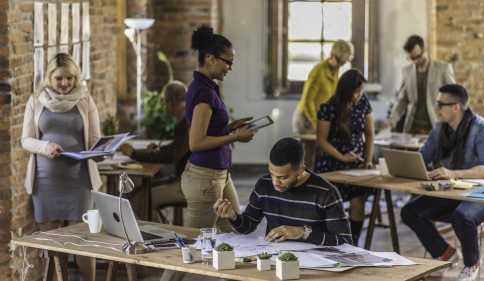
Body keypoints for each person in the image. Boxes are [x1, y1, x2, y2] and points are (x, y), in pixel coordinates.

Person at [401, 84, 484, 281]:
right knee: (409, 211)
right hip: (452, 191)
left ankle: (472, 264)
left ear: (456, 107)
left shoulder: (482, 129)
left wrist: (453, 173)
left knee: (462, 215)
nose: (437, 108)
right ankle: (446, 253)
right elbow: (423, 157)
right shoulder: (440, 129)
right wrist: (403, 165)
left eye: (441, 104)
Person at [21, 53, 101, 281]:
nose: (65, 83)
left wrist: (103, 148)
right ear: (49, 78)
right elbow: (25, 140)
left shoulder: (85, 100)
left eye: (70, 78)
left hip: (80, 181)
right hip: (46, 184)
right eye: (59, 79)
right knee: (54, 242)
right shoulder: (36, 101)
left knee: (84, 239)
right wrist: (45, 146)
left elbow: (95, 138)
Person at [182, 25, 255, 232]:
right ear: (210, 58)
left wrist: (231, 127)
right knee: (196, 244)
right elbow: (196, 143)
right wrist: (234, 137)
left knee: (233, 233)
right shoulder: (204, 93)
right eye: (228, 62)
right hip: (205, 179)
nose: (230, 67)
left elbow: (210, 131)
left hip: (220, 175)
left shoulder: (208, 87)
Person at [214, 137, 352, 246]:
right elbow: (247, 227)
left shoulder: (326, 193)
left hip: (316, 264)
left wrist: (303, 233)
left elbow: (345, 242)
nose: (275, 182)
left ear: (301, 169)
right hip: (276, 259)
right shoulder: (264, 185)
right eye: (272, 174)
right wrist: (232, 215)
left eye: (283, 177)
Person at [314, 69, 374, 246]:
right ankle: (333, 239)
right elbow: (321, 141)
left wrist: (368, 160)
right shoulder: (329, 107)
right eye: (356, 91)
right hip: (332, 163)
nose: (359, 94)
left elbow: (370, 135)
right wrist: (342, 157)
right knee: (332, 203)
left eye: (362, 90)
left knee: (358, 200)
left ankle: (353, 242)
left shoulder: (363, 103)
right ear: (346, 90)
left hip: (356, 163)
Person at [120, 81, 189, 222]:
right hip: (183, 179)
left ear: (172, 102)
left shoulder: (185, 122)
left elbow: (172, 155)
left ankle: (162, 235)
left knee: (141, 200)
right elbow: (178, 147)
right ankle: (164, 229)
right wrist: (159, 149)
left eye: (165, 102)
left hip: (185, 185)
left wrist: (133, 153)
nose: (164, 106)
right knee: (140, 193)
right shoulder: (187, 118)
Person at [389, 34, 455, 134]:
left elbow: (456, 97)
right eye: (412, 58)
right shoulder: (406, 72)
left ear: (425, 50)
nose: (416, 61)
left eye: (418, 57)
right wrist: (392, 120)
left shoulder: (443, 69)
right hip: (412, 128)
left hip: (436, 126)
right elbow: (402, 100)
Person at [293, 40, 354, 135]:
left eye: (342, 64)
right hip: (306, 119)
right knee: (311, 148)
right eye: (339, 62)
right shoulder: (318, 71)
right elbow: (307, 101)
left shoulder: (335, 71)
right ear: (332, 55)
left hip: (320, 118)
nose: (340, 66)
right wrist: (316, 123)